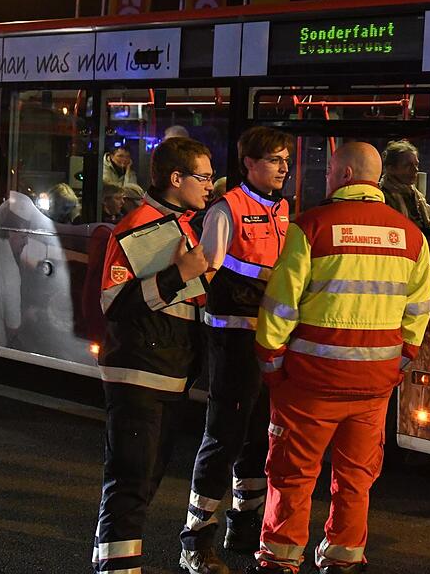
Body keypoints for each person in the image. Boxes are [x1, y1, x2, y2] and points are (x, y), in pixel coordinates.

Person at [251, 142, 430, 574]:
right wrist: (396, 365)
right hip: (373, 386)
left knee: (293, 474)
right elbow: (417, 315)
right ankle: (344, 557)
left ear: (346, 175)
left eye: (330, 172)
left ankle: (280, 558)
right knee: (356, 477)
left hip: (309, 383)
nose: (326, 178)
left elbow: (279, 308)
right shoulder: (411, 237)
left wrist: (272, 367)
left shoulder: (310, 227)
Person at [91, 137, 215, 574]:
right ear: (176, 179)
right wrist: (180, 273)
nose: (210, 185)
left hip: (165, 373)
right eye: (203, 176)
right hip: (141, 373)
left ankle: (112, 562)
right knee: (131, 482)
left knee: (141, 483)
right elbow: (114, 303)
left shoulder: (177, 223)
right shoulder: (141, 225)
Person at [180, 127, 293, 569]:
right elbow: (207, 272)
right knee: (224, 436)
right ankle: (195, 538)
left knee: (258, 434)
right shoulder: (228, 208)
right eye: (274, 160)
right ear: (249, 163)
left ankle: (243, 524)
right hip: (233, 339)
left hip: (268, 338)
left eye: (285, 160)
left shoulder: (282, 208)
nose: (283, 168)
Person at [379, 140, 430, 235]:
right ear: (390, 168)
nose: (415, 169)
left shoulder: (417, 196)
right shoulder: (382, 197)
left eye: (416, 164)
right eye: (408, 165)